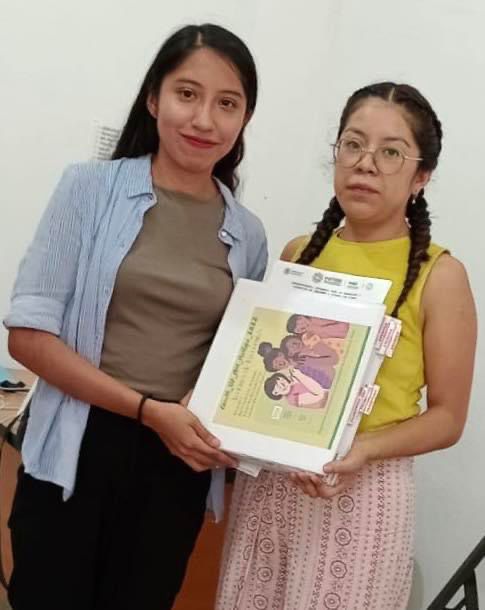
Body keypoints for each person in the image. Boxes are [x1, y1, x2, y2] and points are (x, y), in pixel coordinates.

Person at [4, 23, 267, 610]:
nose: (204, 119)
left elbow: (235, 359)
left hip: (175, 465)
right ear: (153, 99)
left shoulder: (248, 234)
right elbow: (28, 336)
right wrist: (147, 410)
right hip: (76, 447)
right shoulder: (88, 188)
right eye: (187, 94)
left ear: (244, 119)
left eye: (227, 104)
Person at [215, 82, 476, 609]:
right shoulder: (298, 254)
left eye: (391, 152)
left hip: (365, 489)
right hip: (274, 482)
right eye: (352, 145)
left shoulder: (442, 275)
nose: (365, 164)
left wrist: (362, 452)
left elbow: (448, 418)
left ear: (421, 176)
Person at [263, 369, 329, 408]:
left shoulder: (294, 381)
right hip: (327, 402)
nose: (282, 385)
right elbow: (319, 393)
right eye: (278, 386)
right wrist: (300, 376)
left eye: (281, 380)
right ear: (276, 393)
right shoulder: (292, 399)